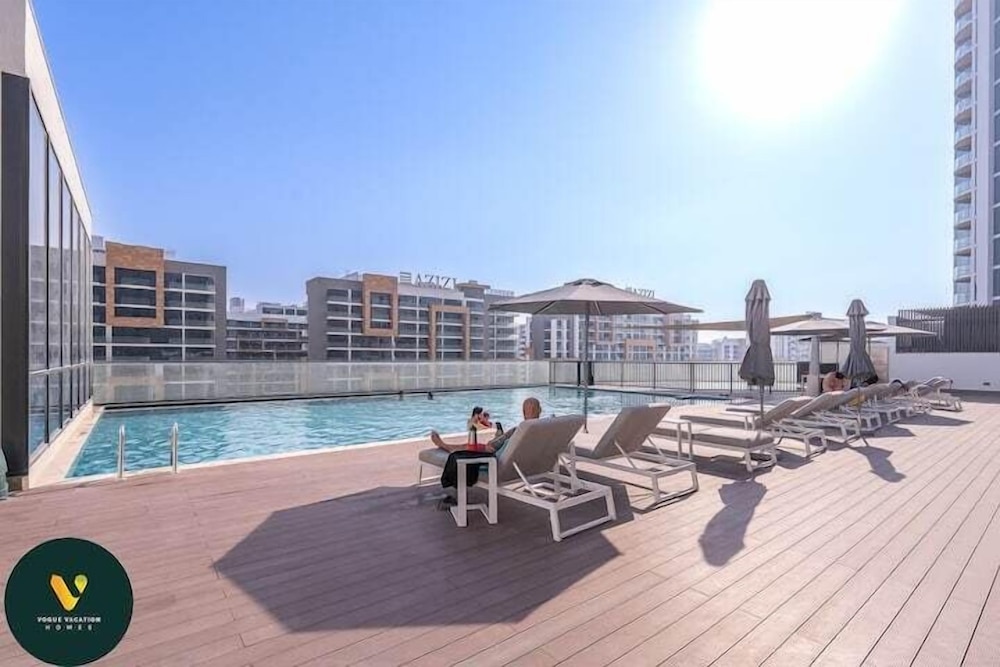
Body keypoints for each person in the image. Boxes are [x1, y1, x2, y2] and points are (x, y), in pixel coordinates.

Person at [430, 397, 542, 455]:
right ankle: (448, 446)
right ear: (540, 410)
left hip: (495, 455)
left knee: (472, 446)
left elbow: (495, 446)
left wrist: (492, 444)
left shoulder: (521, 429)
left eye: (526, 410)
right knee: (492, 439)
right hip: (527, 462)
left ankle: (446, 446)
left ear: (523, 412)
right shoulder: (545, 429)